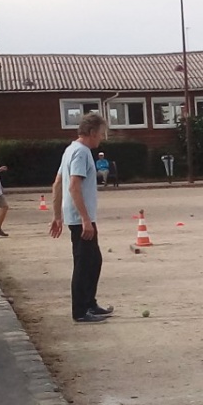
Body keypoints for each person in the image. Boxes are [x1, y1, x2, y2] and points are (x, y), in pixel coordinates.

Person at [48, 114, 114, 324]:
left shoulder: (70, 150)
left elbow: (57, 183)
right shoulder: (81, 152)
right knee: (84, 262)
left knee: (94, 260)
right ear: (93, 132)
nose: (101, 139)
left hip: (76, 215)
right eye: (101, 134)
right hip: (80, 216)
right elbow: (73, 185)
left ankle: (90, 303)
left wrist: (57, 215)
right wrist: (85, 219)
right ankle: (80, 310)